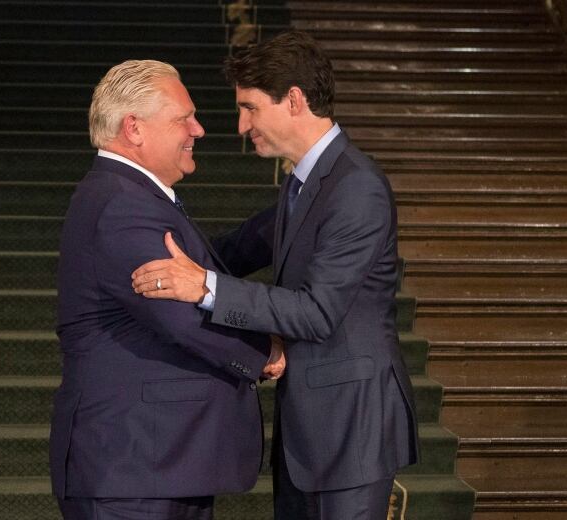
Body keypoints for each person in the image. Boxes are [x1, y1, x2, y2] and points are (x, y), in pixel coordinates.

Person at [131, 31, 419, 520]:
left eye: (250, 108)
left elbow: (316, 312)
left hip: (353, 432)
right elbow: (235, 249)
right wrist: (145, 235)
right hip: (312, 432)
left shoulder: (357, 188)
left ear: (294, 100)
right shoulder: (304, 180)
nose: (242, 125)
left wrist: (204, 286)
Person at [51, 59, 285, 520]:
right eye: (184, 118)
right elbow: (182, 317)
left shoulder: (126, 194)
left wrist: (291, 215)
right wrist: (267, 352)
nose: (198, 129)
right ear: (134, 128)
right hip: (136, 471)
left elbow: (202, 266)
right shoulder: (123, 204)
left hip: (152, 467)